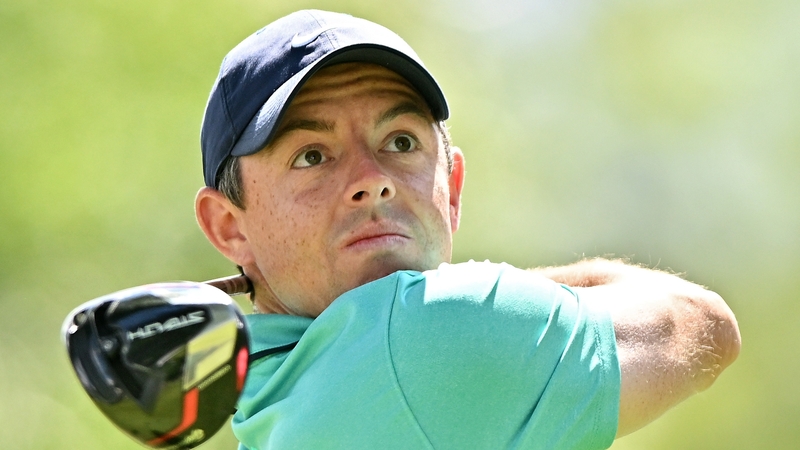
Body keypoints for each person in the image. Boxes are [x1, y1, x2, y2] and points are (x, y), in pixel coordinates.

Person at [193, 9, 741, 450]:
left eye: (401, 142)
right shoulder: (428, 331)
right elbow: (702, 323)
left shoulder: (264, 391)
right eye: (312, 155)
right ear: (228, 227)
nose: (372, 180)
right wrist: (471, 294)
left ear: (450, 189)